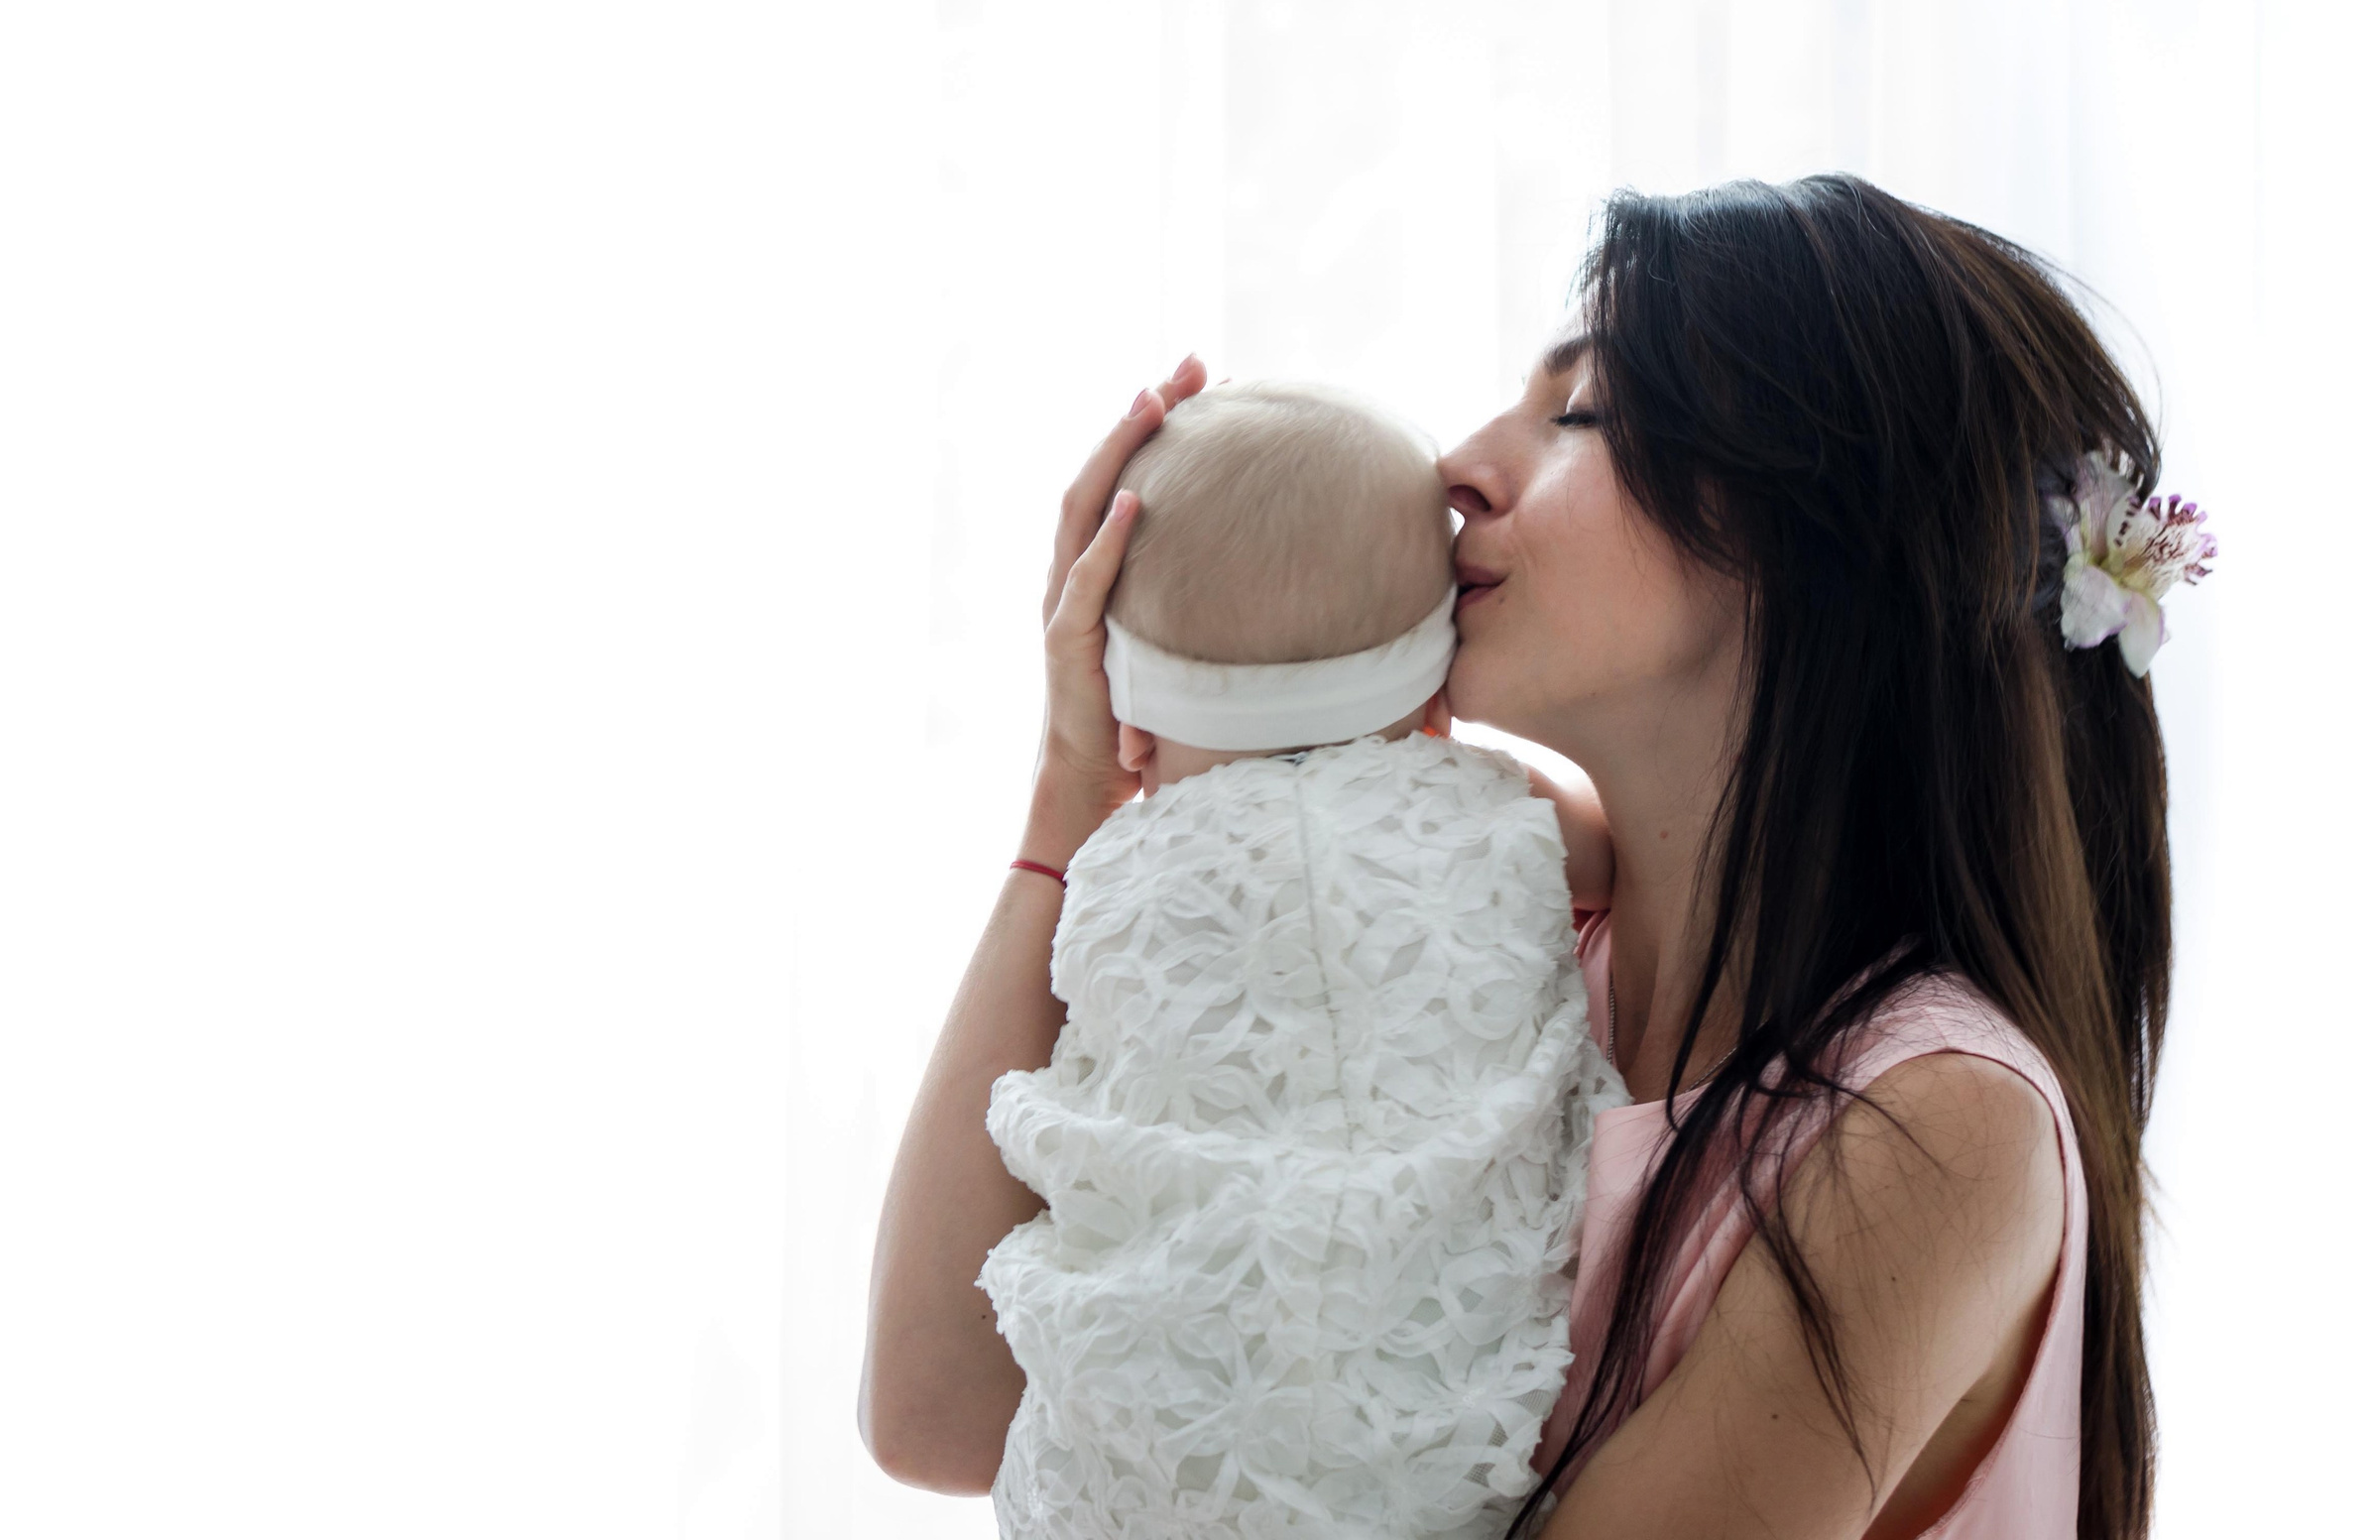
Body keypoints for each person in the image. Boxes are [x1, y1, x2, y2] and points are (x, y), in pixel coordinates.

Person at [863, 175, 2208, 1540]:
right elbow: (940, 1411)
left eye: (1580, 414)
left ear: (1820, 547)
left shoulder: (1934, 1128)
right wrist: (1071, 801)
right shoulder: (1497, 962)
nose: (1458, 465)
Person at [979, 380, 1621, 1539]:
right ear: (1431, 683)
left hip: (1153, 1445)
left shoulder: (1116, 865)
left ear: (1127, 713)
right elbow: (1604, 854)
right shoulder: (1493, 811)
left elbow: (1084, 1110)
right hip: (1437, 1453)